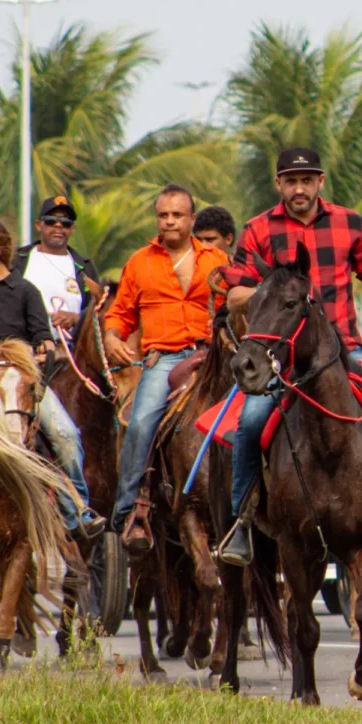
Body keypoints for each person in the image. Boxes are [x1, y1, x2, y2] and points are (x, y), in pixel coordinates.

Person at [218, 147, 362, 572]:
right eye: (291, 181)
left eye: (307, 180)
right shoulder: (258, 229)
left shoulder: (351, 224)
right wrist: (273, 291)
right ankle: (241, 523)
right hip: (282, 360)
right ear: (279, 184)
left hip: (346, 353)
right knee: (249, 425)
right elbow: (235, 293)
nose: (300, 188)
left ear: (320, 182)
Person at [0, 219, 103, 539]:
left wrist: (42, 352)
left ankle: (77, 509)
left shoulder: (26, 292)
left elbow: (45, 341)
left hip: (18, 375)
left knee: (65, 433)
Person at [105, 184, 229, 554]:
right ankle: (130, 509)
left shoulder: (216, 260)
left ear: (192, 219)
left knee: (258, 410)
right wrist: (112, 336)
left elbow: (236, 306)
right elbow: (120, 314)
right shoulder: (140, 262)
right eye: (163, 215)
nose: (170, 221)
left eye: (177, 215)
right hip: (166, 359)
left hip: (215, 354)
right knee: (141, 421)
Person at [11, 196, 102, 333]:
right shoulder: (17, 260)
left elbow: (98, 313)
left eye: (65, 223)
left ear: (72, 229)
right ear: (38, 225)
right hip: (25, 344)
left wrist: (76, 318)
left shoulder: (85, 267)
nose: (58, 225)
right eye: (51, 221)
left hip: (69, 344)